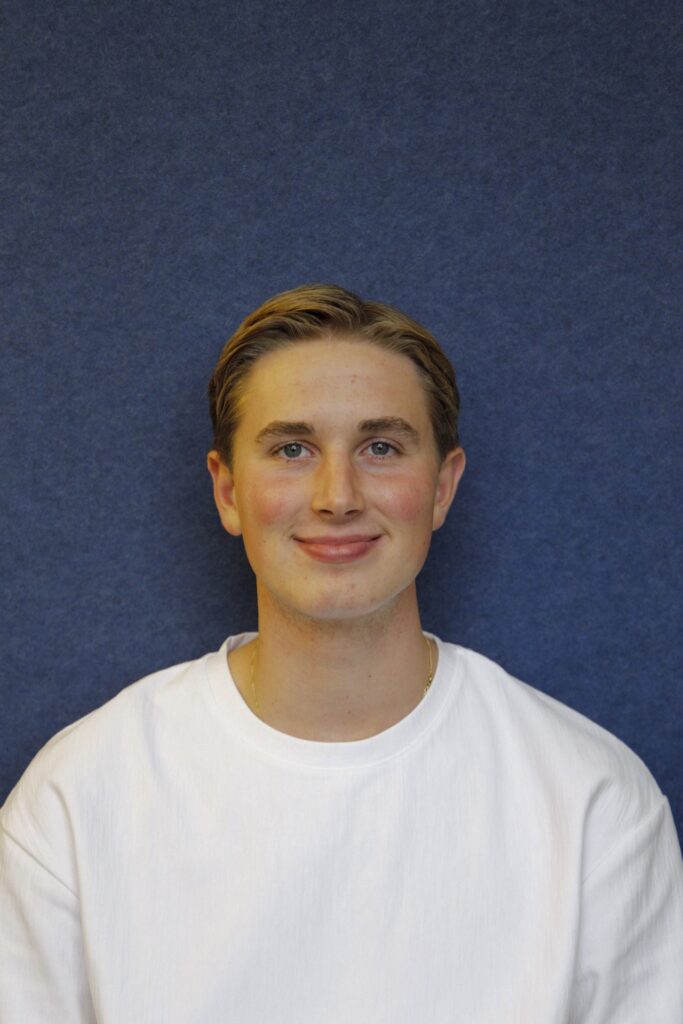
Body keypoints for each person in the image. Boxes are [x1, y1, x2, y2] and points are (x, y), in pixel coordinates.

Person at [1, 284, 681, 1022]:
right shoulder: (80, 797)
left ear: (442, 487)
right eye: (291, 449)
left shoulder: (592, 801)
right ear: (227, 491)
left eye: (380, 447)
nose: (337, 496)